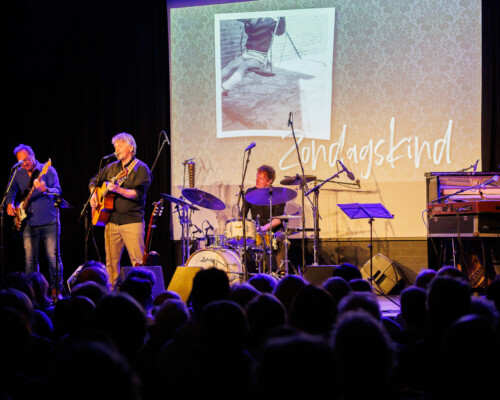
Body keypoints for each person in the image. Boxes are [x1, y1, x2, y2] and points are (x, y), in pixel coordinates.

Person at [89, 133, 151, 286]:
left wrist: (117, 190)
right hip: (111, 221)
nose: (117, 148)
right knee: (111, 263)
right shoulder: (111, 167)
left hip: (132, 221)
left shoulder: (141, 168)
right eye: (115, 146)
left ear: (131, 148)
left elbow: (137, 194)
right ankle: (111, 295)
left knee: (137, 263)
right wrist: (93, 195)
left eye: (120, 145)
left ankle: (142, 297)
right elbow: (93, 181)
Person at [5, 144, 64, 301]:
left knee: (53, 258)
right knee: (30, 260)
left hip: (49, 220)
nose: (25, 163)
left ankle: (56, 292)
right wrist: (10, 204)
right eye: (21, 161)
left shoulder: (47, 169)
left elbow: (58, 191)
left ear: (33, 155)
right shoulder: (18, 173)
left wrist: (45, 189)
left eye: (26, 159)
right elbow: (10, 192)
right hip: (28, 223)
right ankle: (32, 293)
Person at [221, 17, 286, 96]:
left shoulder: (267, 22)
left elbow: (280, 31)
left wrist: (282, 18)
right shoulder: (248, 25)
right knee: (231, 64)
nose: (244, 22)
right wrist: (247, 24)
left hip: (260, 57)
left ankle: (224, 87)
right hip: (248, 53)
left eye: (244, 19)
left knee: (244, 65)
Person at [242, 165, 286, 273]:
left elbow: (278, 219)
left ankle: (281, 272)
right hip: (255, 229)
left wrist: (264, 228)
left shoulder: (278, 194)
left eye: (260, 178)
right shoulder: (249, 192)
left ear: (269, 181)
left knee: (281, 238)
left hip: (274, 230)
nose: (256, 180)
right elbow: (242, 215)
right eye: (257, 177)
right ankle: (247, 272)